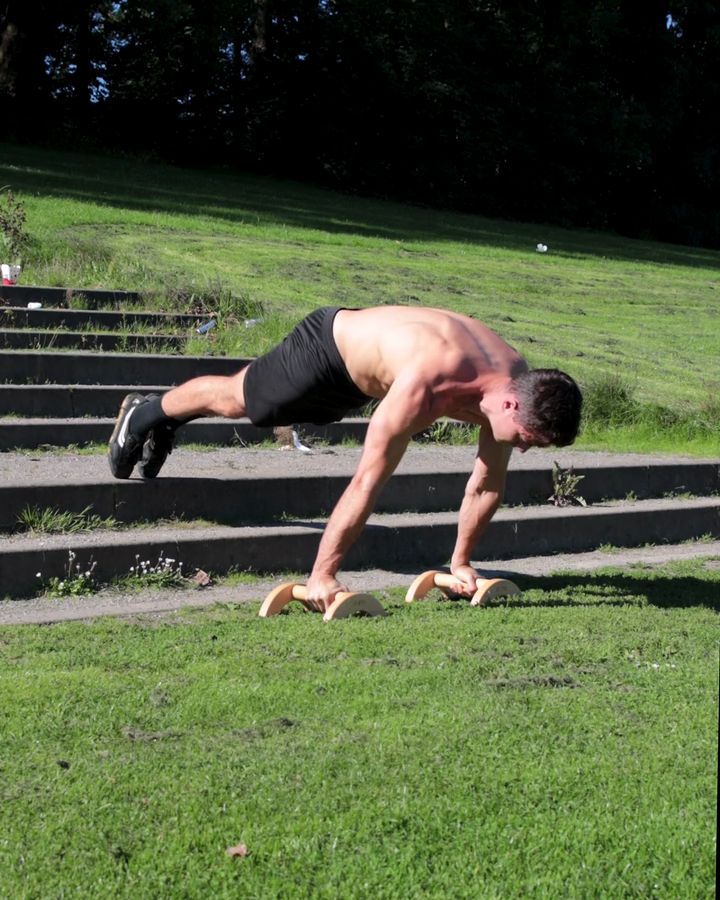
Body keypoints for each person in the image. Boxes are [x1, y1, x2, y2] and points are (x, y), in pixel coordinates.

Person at [108, 305, 582, 610]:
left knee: (255, 405)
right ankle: (148, 412)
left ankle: (160, 418)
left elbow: (486, 484)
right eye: (526, 438)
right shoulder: (427, 385)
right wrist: (322, 576)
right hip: (326, 350)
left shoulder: (516, 383)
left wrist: (461, 564)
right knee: (243, 402)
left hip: (365, 377)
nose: (522, 447)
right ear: (511, 405)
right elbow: (366, 481)